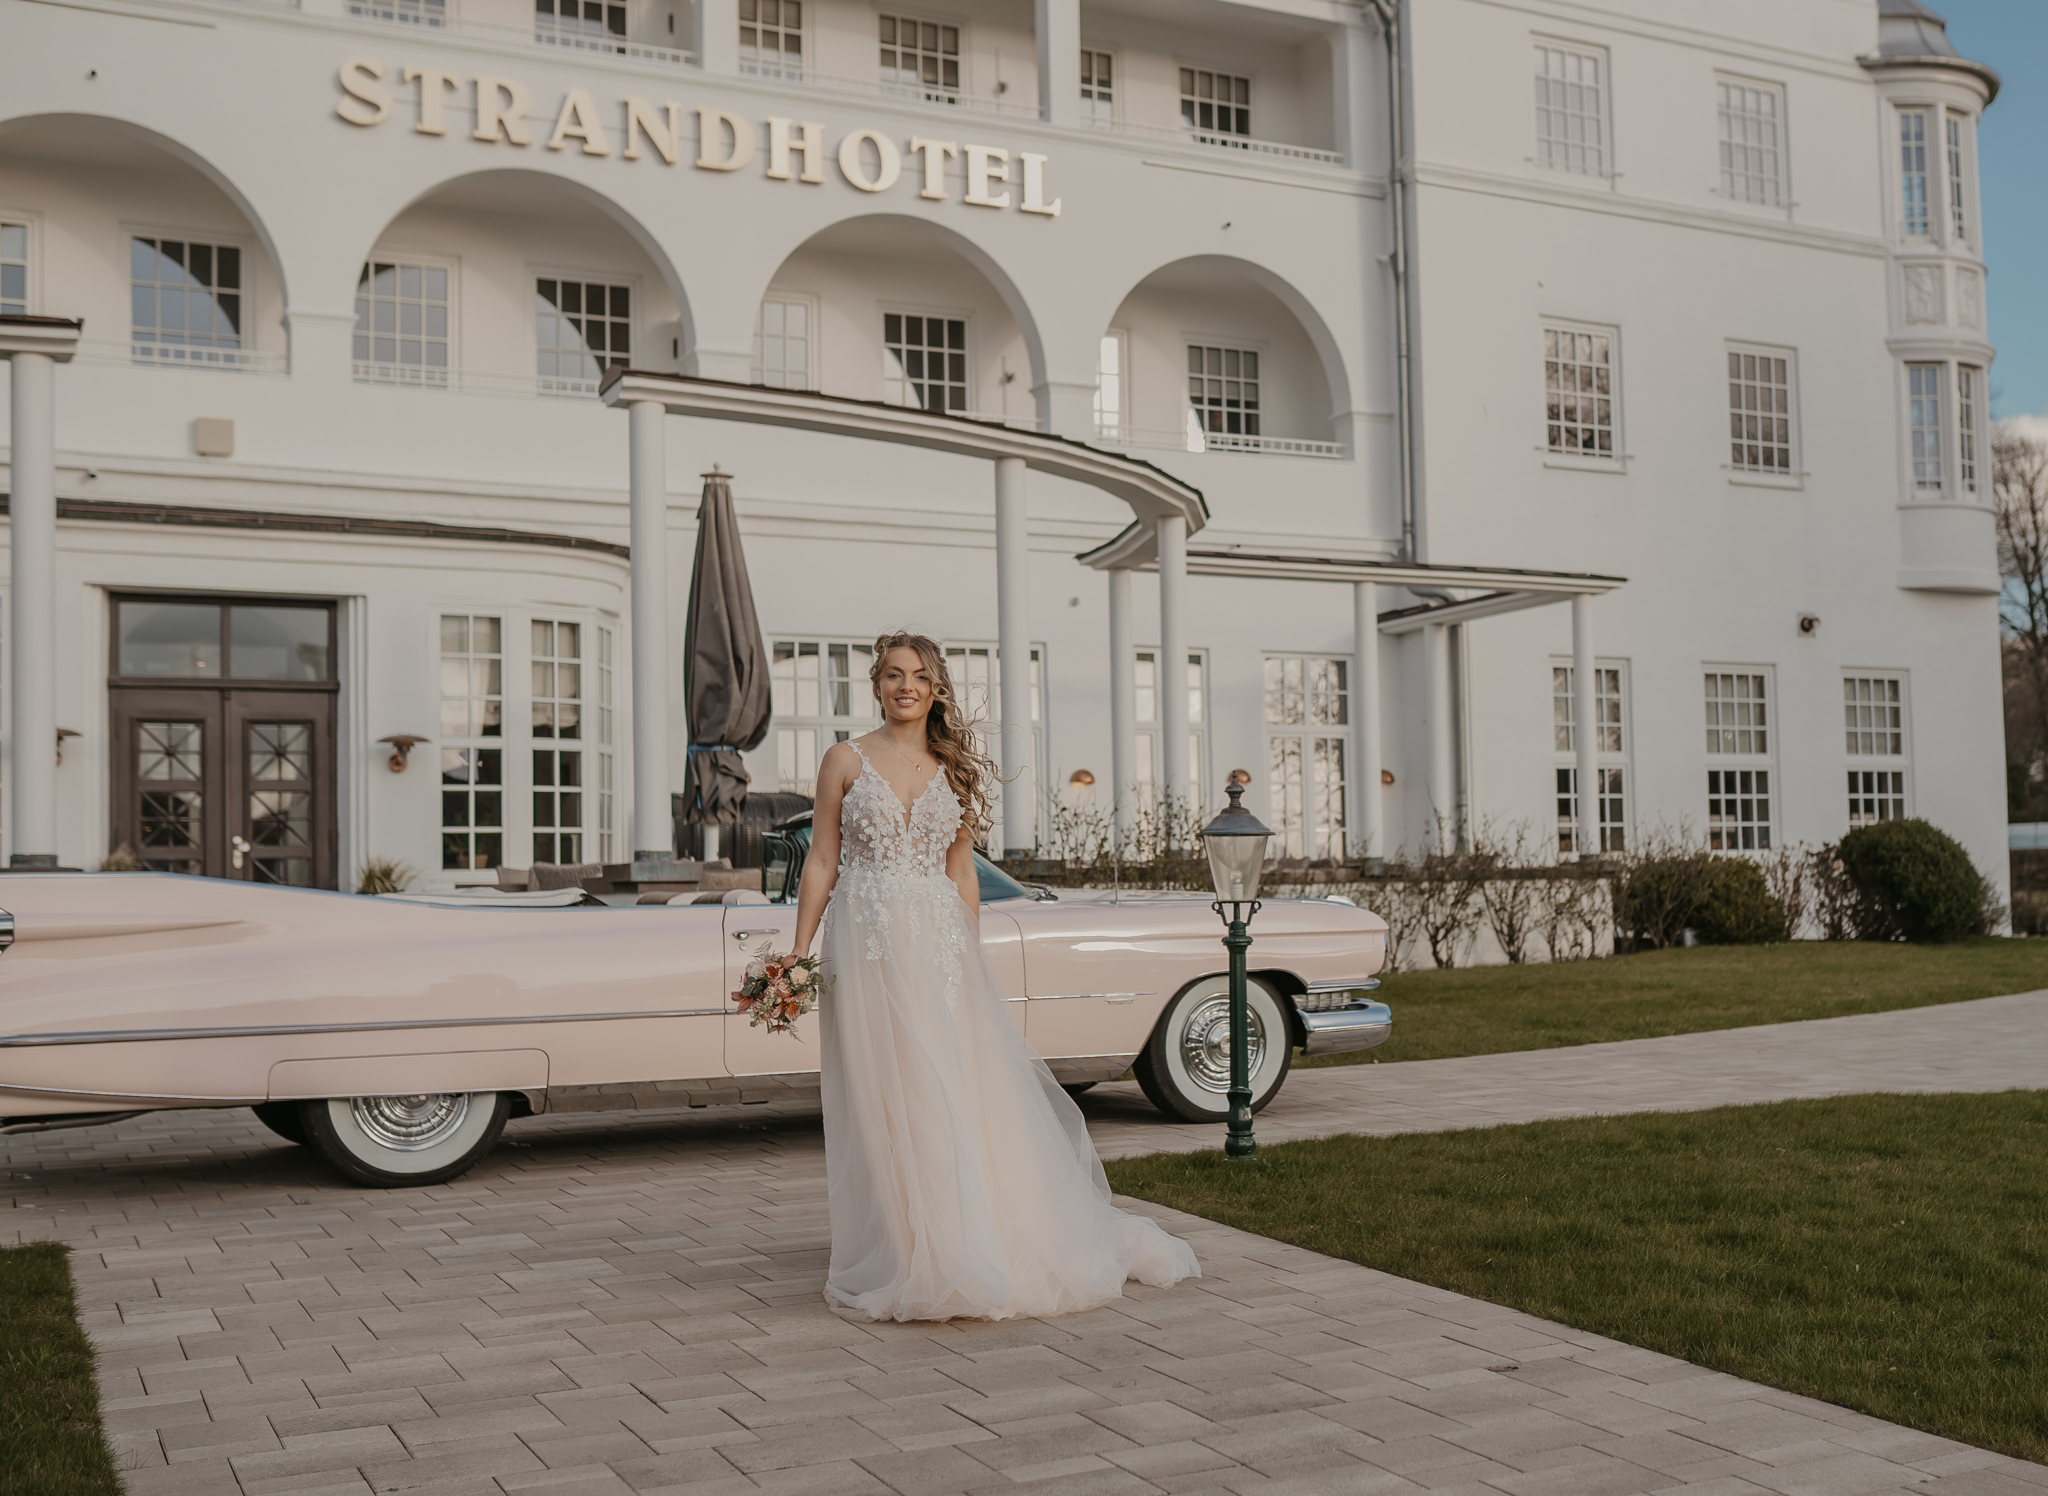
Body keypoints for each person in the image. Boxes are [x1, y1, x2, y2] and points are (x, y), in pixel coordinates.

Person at [788, 631, 1200, 1321]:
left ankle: (960, 1245)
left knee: (947, 1088)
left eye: (919, 676)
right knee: (885, 1094)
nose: (906, 686)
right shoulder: (844, 759)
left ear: (936, 689)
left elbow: (960, 873)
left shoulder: (950, 768)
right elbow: (823, 860)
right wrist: (800, 954)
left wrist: (969, 961)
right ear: (876, 684)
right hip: (866, 946)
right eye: (893, 675)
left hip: (940, 949)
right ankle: (910, 1244)